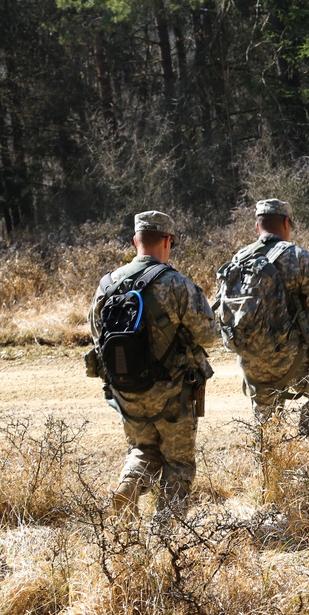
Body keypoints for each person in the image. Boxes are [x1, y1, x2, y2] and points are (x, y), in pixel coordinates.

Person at [88, 211, 217, 519]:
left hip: (127, 391)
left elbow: (97, 337)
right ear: (167, 242)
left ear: (136, 240)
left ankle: (130, 484)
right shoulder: (176, 284)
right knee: (178, 463)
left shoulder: (107, 286)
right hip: (174, 393)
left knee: (143, 450)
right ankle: (167, 534)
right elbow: (209, 335)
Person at [227, 199, 309, 433]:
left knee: (266, 424)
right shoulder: (296, 256)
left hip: (250, 358)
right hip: (291, 358)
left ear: (258, 226)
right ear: (286, 223)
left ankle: (269, 465)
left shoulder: (240, 259)